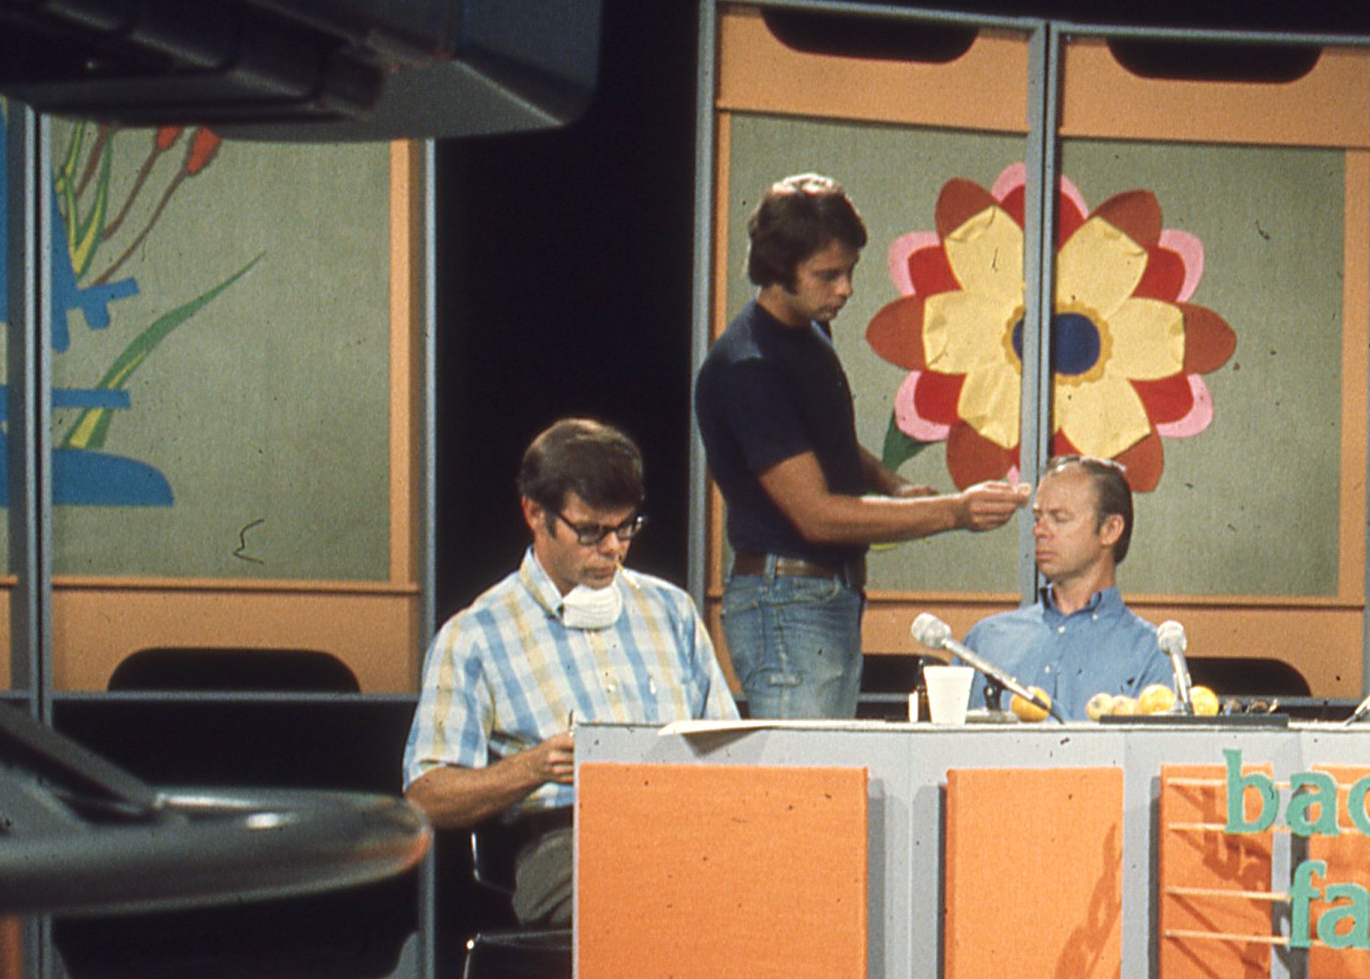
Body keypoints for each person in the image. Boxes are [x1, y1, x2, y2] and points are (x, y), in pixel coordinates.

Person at [694, 172, 1027, 719]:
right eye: (827, 275)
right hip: (788, 603)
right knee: (809, 789)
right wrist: (953, 511)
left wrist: (892, 484)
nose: (845, 288)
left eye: (849, 271)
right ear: (778, 270)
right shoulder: (749, 366)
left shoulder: (808, 333)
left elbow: (826, 445)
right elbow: (818, 516)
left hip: (823, 598)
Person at [404, 419, 737, 925]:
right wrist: (534, 767)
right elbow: (426, 794)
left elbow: (729, 746)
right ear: (535, 514)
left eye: (626, 528)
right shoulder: (476, 635)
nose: (613, 549)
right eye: (590, 532)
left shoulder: (671, 611)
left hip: (684, 828)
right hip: (565, 843)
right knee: (654, 898)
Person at [961, 455, 1172, 714]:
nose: (1039, 531)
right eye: (1038, 518)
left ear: (1110, 529)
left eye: (1059, 518)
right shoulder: (987, 640)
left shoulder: (1151, 652)